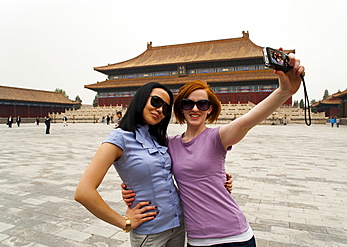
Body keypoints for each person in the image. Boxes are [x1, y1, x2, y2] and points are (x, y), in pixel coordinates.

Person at [123, 53, 304, 246]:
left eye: (202, 104)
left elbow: (248, 121)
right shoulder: (170, 144)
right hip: (197, 240)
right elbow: (149, 168)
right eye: (188, 103)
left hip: (234, 237)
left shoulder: (218, 137)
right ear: (181, 108)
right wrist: (132, 188)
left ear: (210, 109)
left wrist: (284, 92)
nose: (195, 109)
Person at [75, 82, 184, 246]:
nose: (160, 110)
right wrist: (123, 222)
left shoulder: (156, 138)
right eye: (155, 102)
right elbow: (83, 192)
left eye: (166, 108)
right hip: (151, 232)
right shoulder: (119, 138)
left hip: (178, 225)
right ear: (141, 100)